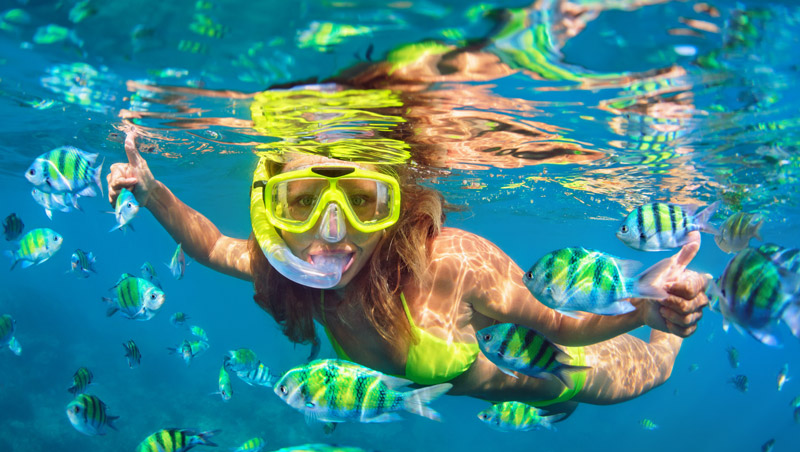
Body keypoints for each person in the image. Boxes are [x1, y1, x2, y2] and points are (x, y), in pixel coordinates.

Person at [107, 0, 711, 417]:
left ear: (394, 206)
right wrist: (151, 189)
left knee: (651, 367)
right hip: (480, 380)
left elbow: (561, 325)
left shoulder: (448, 264)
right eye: (303, 201)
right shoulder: (282, 262)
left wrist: (645, 313)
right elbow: (211, 246)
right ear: (273, 206)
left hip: (550, 378)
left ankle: (678, 293)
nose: (331, 232)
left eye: (364, 201)